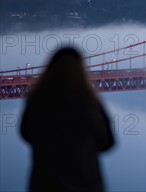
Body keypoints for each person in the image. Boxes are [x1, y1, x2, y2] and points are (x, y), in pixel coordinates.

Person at [20, 47, 115, 192]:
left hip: (44, 184)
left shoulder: (37, 102)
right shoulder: (90, 104)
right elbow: (107, 142)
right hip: (86, 184)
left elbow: (26, 134)